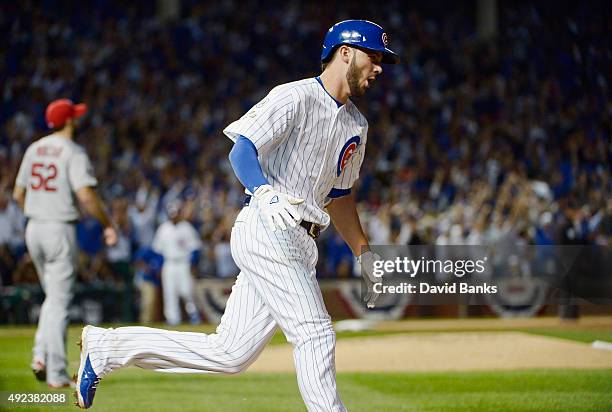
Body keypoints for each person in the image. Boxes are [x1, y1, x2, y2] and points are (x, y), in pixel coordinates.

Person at [74, 20, 397, 411]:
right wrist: (263, 192)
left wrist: (363, 252)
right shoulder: (294, 97)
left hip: (302, 240)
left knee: (229, 353)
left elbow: (341, 197)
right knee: (314, 332)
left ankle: (108, 347)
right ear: (345, 52)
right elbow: (243, 149)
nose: (379, 66)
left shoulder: (357, 126)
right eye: (373, 56)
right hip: (268, 228)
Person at [12, 99, 118, 388]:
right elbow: (85, 196)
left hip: (34, 227)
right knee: (59, 301)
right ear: (69, 121)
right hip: (59, 228)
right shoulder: (73, 151)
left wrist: (38, 213)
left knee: (52, 298)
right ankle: (56, 372)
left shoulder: (34, 148)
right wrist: (108, 224)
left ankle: (40, 355)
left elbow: (18, 194)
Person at [152, 200, 203, 325]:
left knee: (187, 291)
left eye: (175, 213)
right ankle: (172, 319)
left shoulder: (186, 227)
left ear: (179, 213)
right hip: (169, 264)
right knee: (169, 292)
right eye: (171, 213)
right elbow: (157, 250)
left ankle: (194, 316)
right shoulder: (163, 228)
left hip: (183, 263)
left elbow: (196, 249)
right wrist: (158, 267)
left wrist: (193, 265)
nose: (173, 215)